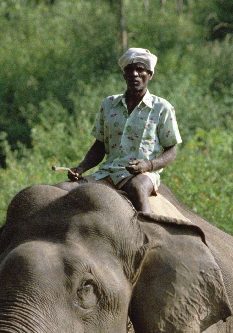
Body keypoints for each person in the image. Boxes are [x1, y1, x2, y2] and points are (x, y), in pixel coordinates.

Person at [67, 48, 182, 215]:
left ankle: (147, 236)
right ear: (124, 74)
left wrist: (147, 165)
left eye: (140, 69)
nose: (134, 74)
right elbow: (99, 146)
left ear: (150, 74)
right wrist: (80, 168)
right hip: (108, 173)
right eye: (129, 69)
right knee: (64, 189)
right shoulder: (108, 104)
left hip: (141, 175)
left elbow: (172, 150)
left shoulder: (161, 108)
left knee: (137, 189)